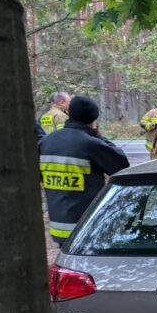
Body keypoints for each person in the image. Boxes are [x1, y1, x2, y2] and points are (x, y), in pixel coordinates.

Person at [39, 96, 129, 245]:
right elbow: (121, 165)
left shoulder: (46, 141)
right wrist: (98, 136)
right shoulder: (89, 143)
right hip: (86, 228)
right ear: (93, 118)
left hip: (58, 227)